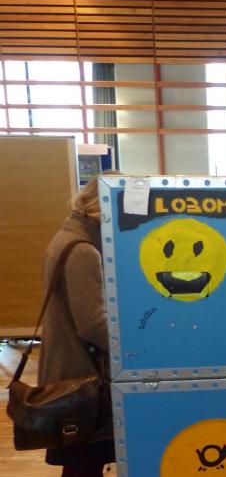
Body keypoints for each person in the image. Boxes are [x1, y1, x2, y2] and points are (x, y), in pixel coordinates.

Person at [39, 174, 115, 476]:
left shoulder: (66, 237)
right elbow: (94, 324)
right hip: (81, 376)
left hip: (67, 368)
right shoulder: (83, 250)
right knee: (84, 464)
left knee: (81, 464)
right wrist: (134, 354)